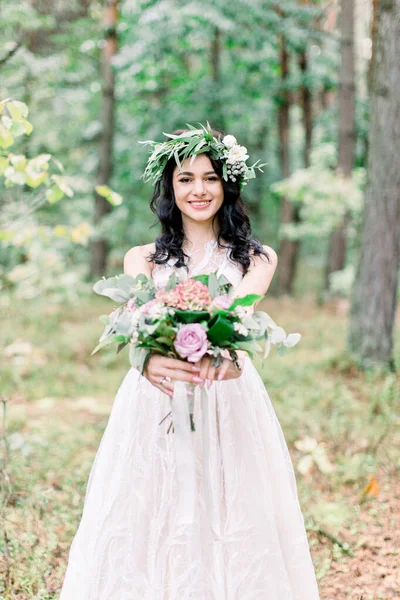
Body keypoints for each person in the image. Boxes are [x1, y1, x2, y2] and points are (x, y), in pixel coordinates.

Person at [59, 125, 320, 599]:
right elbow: (136, 323)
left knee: (230, 509)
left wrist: (233, 356)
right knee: (147, 510)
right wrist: (146, 363)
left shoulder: (257, 258)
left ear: (228, 184)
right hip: (154, 400)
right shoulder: (141, 258)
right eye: (185, 179)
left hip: (226, 395)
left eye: (210, 178)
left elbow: (241, 318)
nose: (198, 190)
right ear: (169, 187)